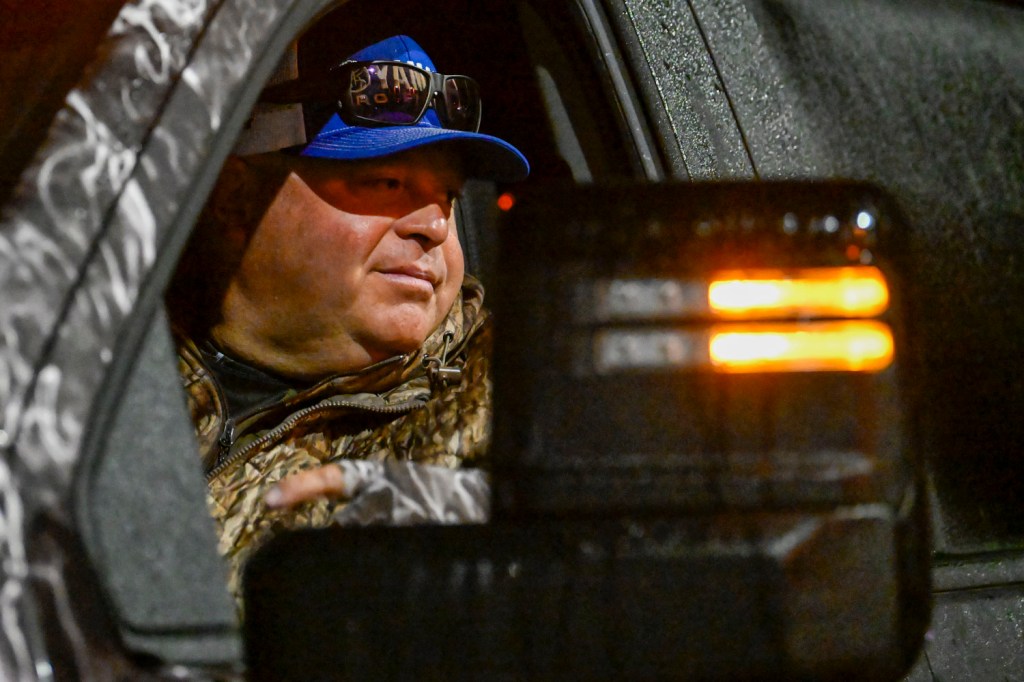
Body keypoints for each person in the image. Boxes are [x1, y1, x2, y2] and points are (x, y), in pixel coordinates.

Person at [166, 35, 529, 600]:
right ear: (234, 197)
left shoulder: (512, 401)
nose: (434, 226)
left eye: (449, 197)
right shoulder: (97, 349)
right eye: (387, 183)